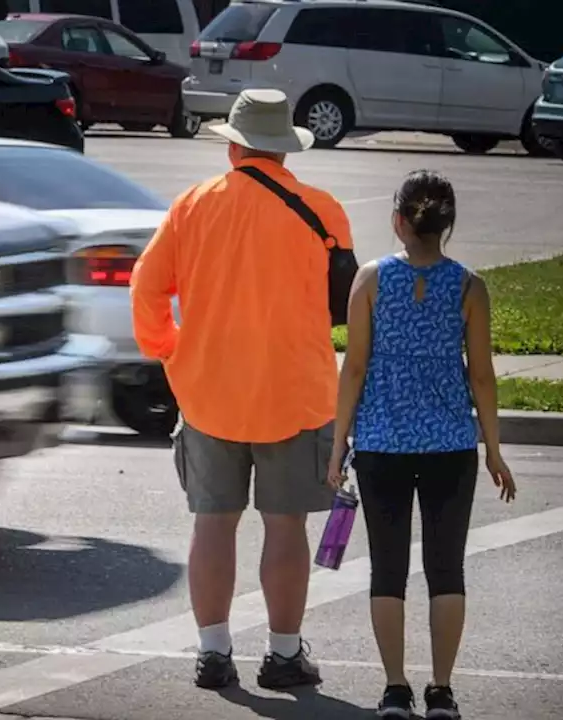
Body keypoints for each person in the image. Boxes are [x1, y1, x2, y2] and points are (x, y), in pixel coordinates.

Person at [130, 88, 354, 690]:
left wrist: (169, 348)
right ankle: (283, 656)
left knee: (213, 523)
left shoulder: (192, 205)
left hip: (209, 392)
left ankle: (213, 652)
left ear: (232, 146)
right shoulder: (323, 209)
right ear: (285, 149)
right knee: (286, 527)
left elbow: (146, 289)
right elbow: (344, 304)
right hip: (296, 392)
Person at [325, 170, 517, 719]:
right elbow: (481, 375)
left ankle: (393, 689)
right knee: (445, 568)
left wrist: (339, 443)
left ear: (398, 221)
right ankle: (441, 690)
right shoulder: (468, 287)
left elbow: (355, 366)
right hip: (451, 445)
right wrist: (494, 450)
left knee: (387, 568)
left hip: (382, 442)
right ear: (447, 226)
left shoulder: (369, 279)